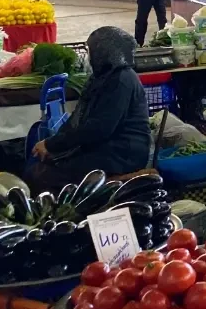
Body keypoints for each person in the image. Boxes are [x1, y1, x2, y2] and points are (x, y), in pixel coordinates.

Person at [26, 28, 150, 192]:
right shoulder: (101, 77)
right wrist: (54, 144)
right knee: (40, 168)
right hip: (106, 148)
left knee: (41, 175)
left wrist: (53, 144)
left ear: (103, 53)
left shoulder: (121, 80)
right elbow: (78, 119)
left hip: (123, 153)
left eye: (90, 51)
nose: (88, 56)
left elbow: (98, 128)